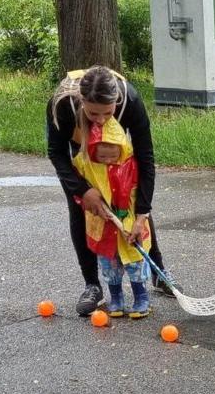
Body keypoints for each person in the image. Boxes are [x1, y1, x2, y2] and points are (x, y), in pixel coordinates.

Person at [46, 66, 172, 316]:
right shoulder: (62, 106)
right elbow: (56, 154)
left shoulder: (131, 101)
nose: (101, 119)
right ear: (82, 102)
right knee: (83, 209)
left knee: (133, 202)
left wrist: (142, 214)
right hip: (80, 150)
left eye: (107, 112)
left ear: (116, 102)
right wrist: (83, 190)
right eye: (94, 113)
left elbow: (146, 159)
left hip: (114, 151)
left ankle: (158, 272)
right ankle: (92, 285)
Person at [69, 118, 153, 318]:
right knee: (109, 263)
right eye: (102, 155)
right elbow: (77, 185)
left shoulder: (131, 165)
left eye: (112, 155)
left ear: (122, 149)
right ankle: (115, 298)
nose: (107, 160)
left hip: (128, 221)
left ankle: (141, 297)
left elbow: (139, 191)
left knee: (134, 261)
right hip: (102, 223)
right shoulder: (86, 166)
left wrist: (136, 221)